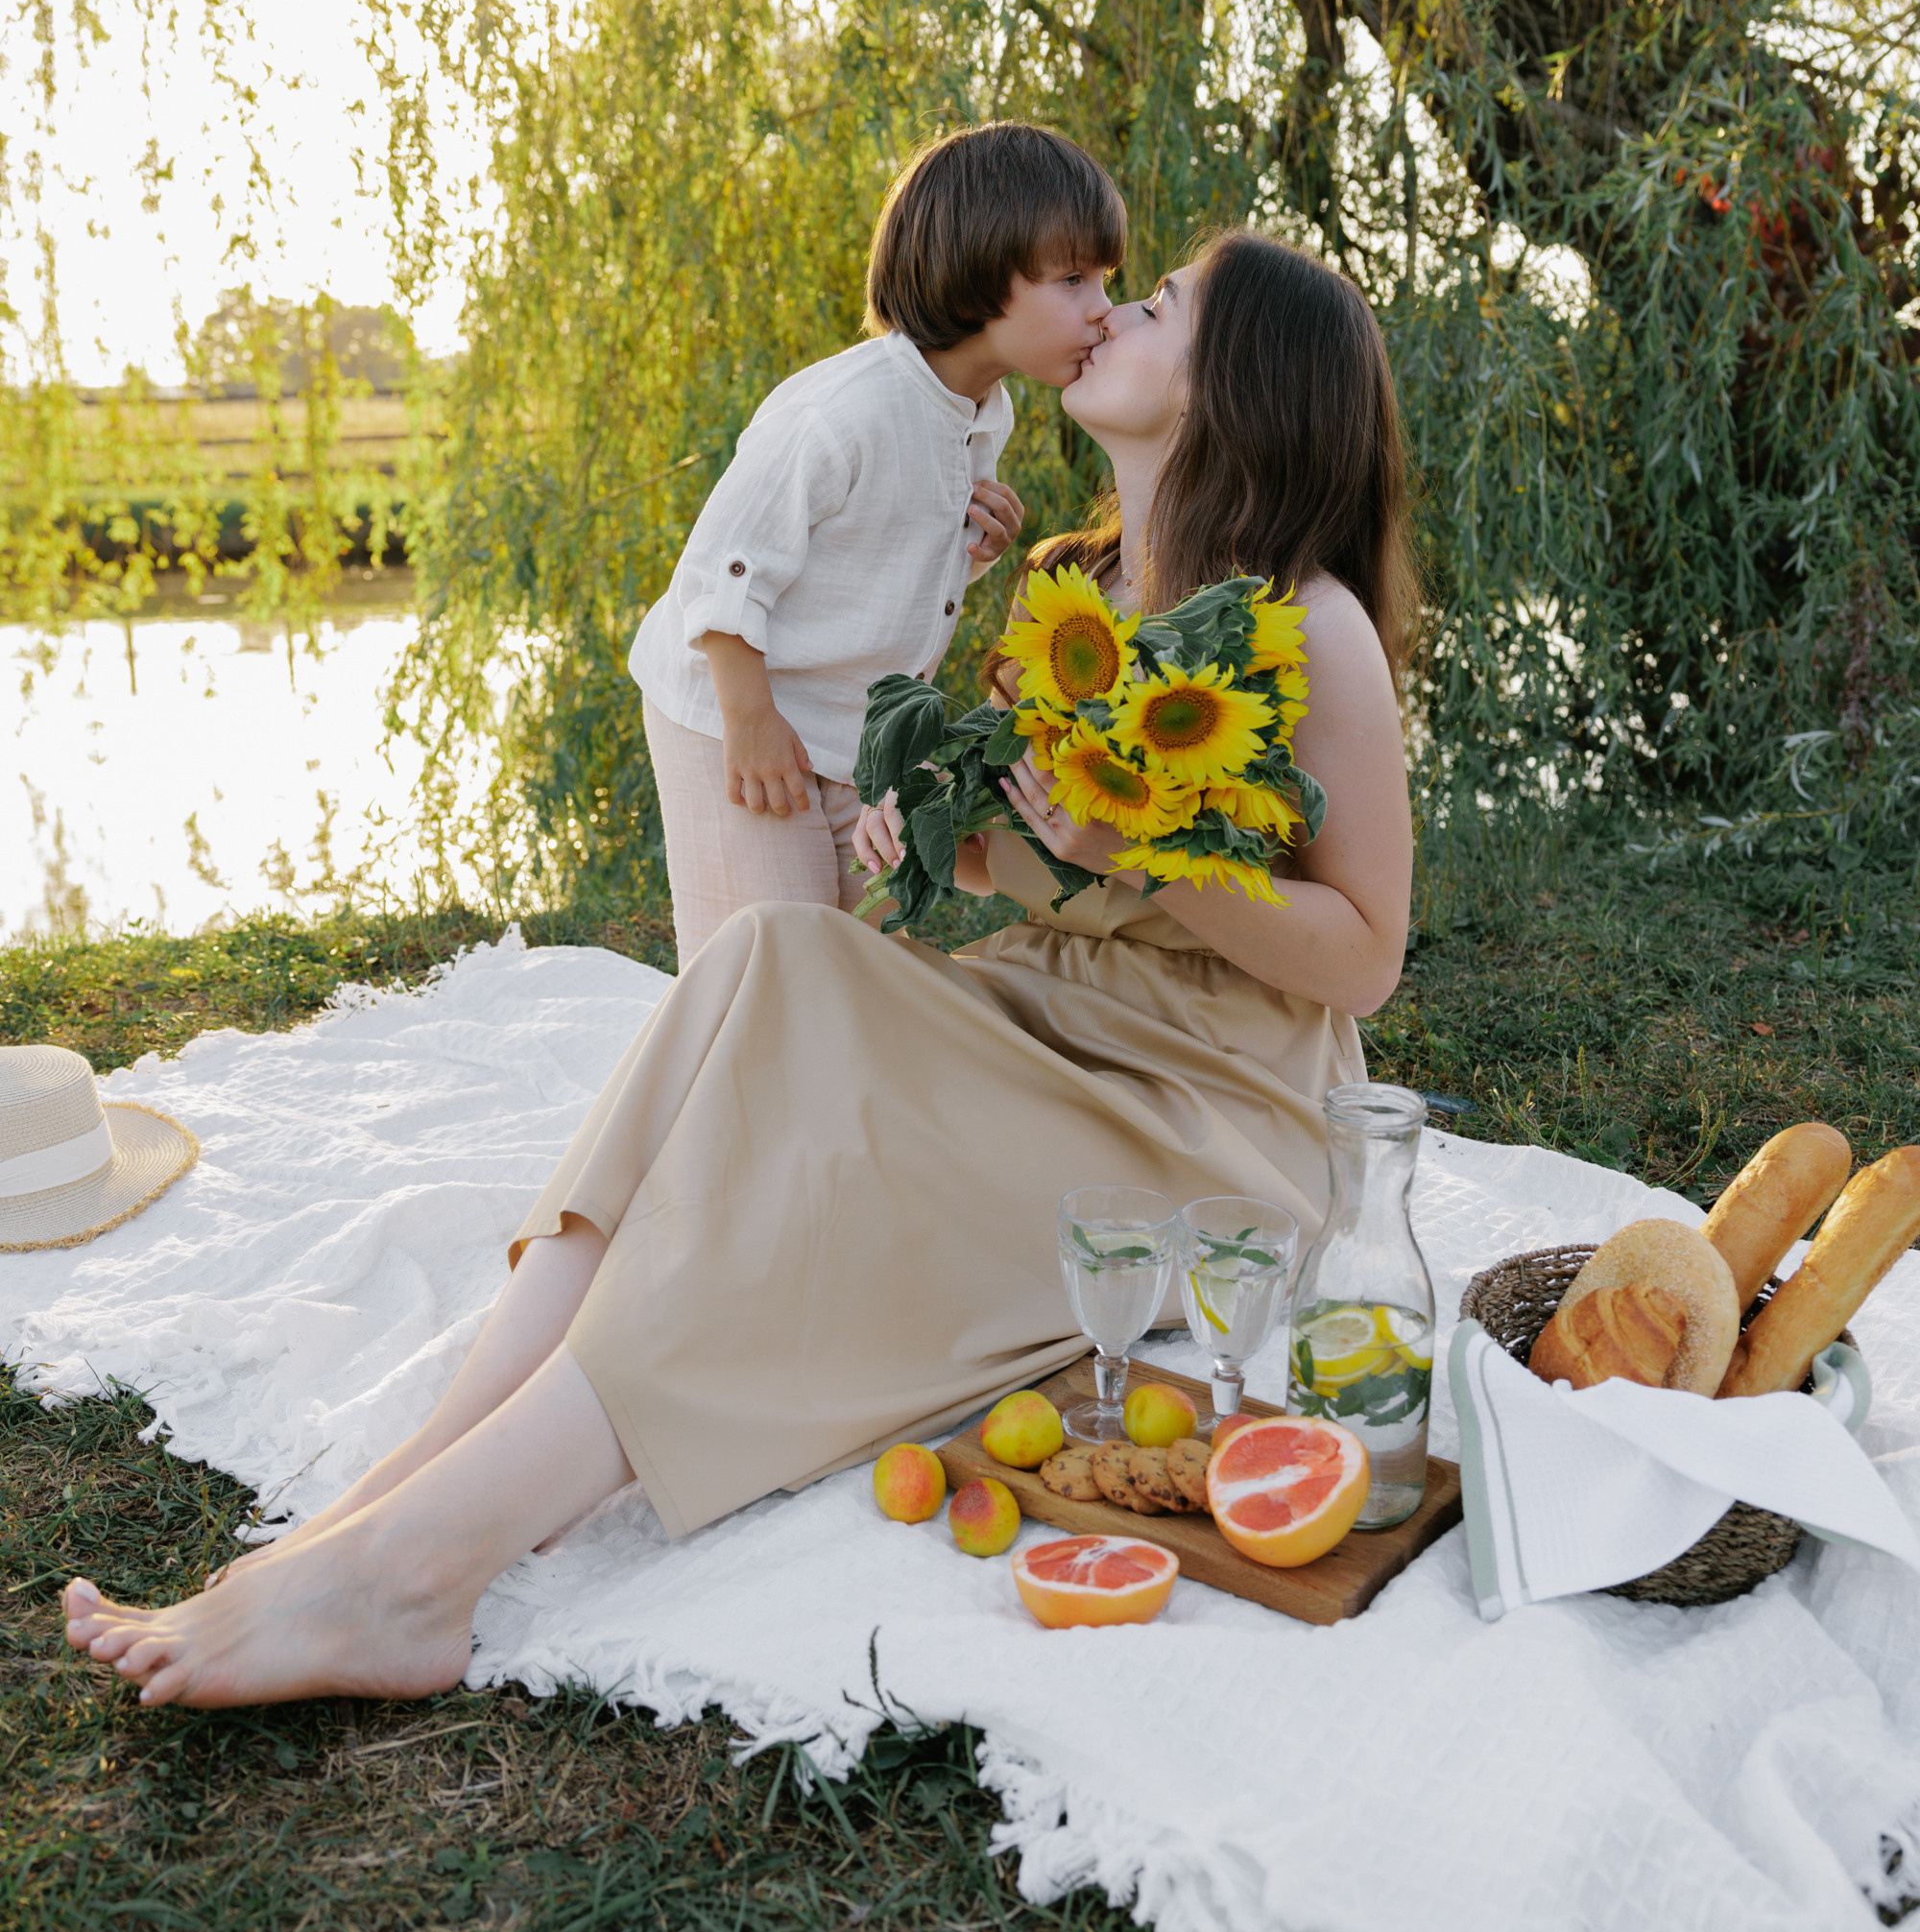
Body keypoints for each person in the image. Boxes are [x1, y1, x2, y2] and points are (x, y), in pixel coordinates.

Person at [63, 230, 1416, 1707]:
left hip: (1209, 1108)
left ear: (1237, 388)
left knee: (812, 1175)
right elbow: (1060, 871)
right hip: (1056, 1009)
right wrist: (962, 844)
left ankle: (417, 1569)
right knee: (773, 953)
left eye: (1156, 309)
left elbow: (1362, 961)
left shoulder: (1314, 626)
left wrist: (1143, 859)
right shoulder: (1081, 595)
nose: (1110, 316)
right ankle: (405, 1477)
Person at [629, 123, 1124, 961]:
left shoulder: (982, 411)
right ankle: (719, 1087)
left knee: (847, 963)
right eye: (1073, 279)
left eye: (1103, 280)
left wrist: (968, 547)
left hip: (851, 736)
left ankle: (815, 1088)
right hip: (734, 709)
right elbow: (722, 566)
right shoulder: (843, 411)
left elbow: (875, 551)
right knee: (761, 963)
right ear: (976, 273)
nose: (1102, 307)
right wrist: (749, 718)